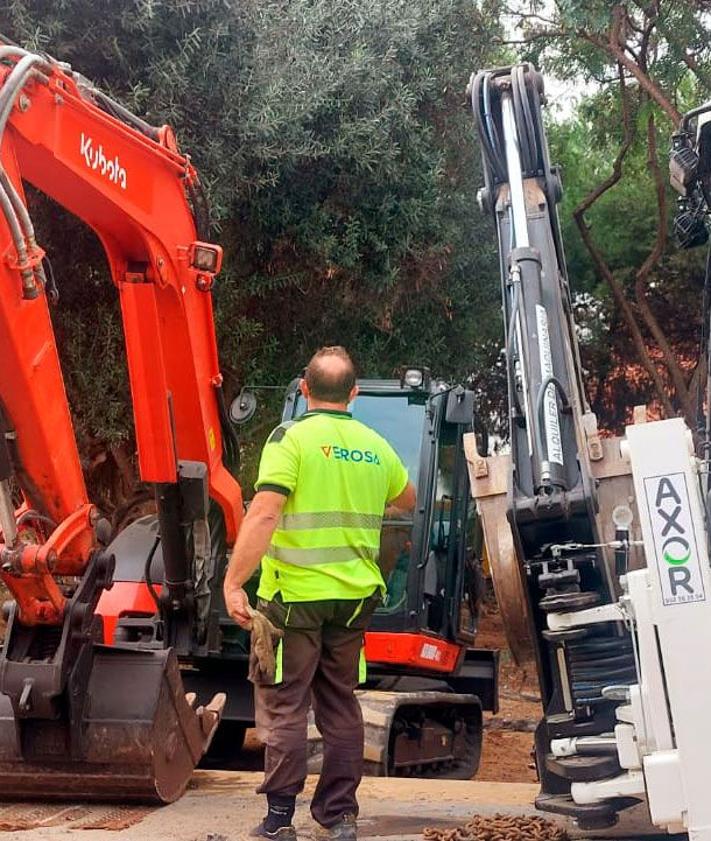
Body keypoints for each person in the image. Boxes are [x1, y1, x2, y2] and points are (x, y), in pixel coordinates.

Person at [223, 346, 416, 841]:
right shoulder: (375, 445)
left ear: (304, 389)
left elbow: (265, 511)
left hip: (295, 598)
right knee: (340, 704)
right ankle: (339, 815)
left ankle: (278, 821)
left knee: (287, 704)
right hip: (353, 601)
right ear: (354, 394)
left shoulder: (290, 439)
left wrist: (233, 581)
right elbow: (406, 499)